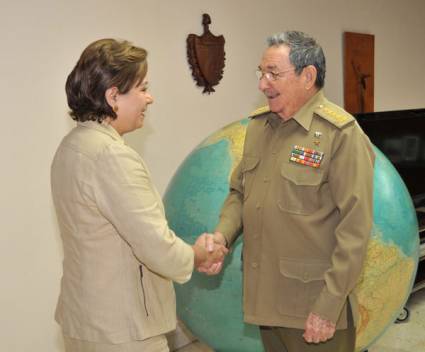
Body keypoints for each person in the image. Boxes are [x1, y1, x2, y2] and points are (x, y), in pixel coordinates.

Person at [198, 31, 375, 351]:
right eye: (261, 72)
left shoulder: (341, 134)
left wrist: (327, 307)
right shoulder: (258, 127)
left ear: (308, 76)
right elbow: (240, 192)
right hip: (266, 299)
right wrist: (222, 237)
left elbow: (356, 230)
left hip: (314, 307)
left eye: (273, 74)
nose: (262, 84)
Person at [51, 38, 227, 352]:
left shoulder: (72, 147)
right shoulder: (112, 157)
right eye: (143, 88)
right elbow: (156, 247)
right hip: (123, 332)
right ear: (113, 96)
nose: (150, 98)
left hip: (85, 322)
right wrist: (199, 254)